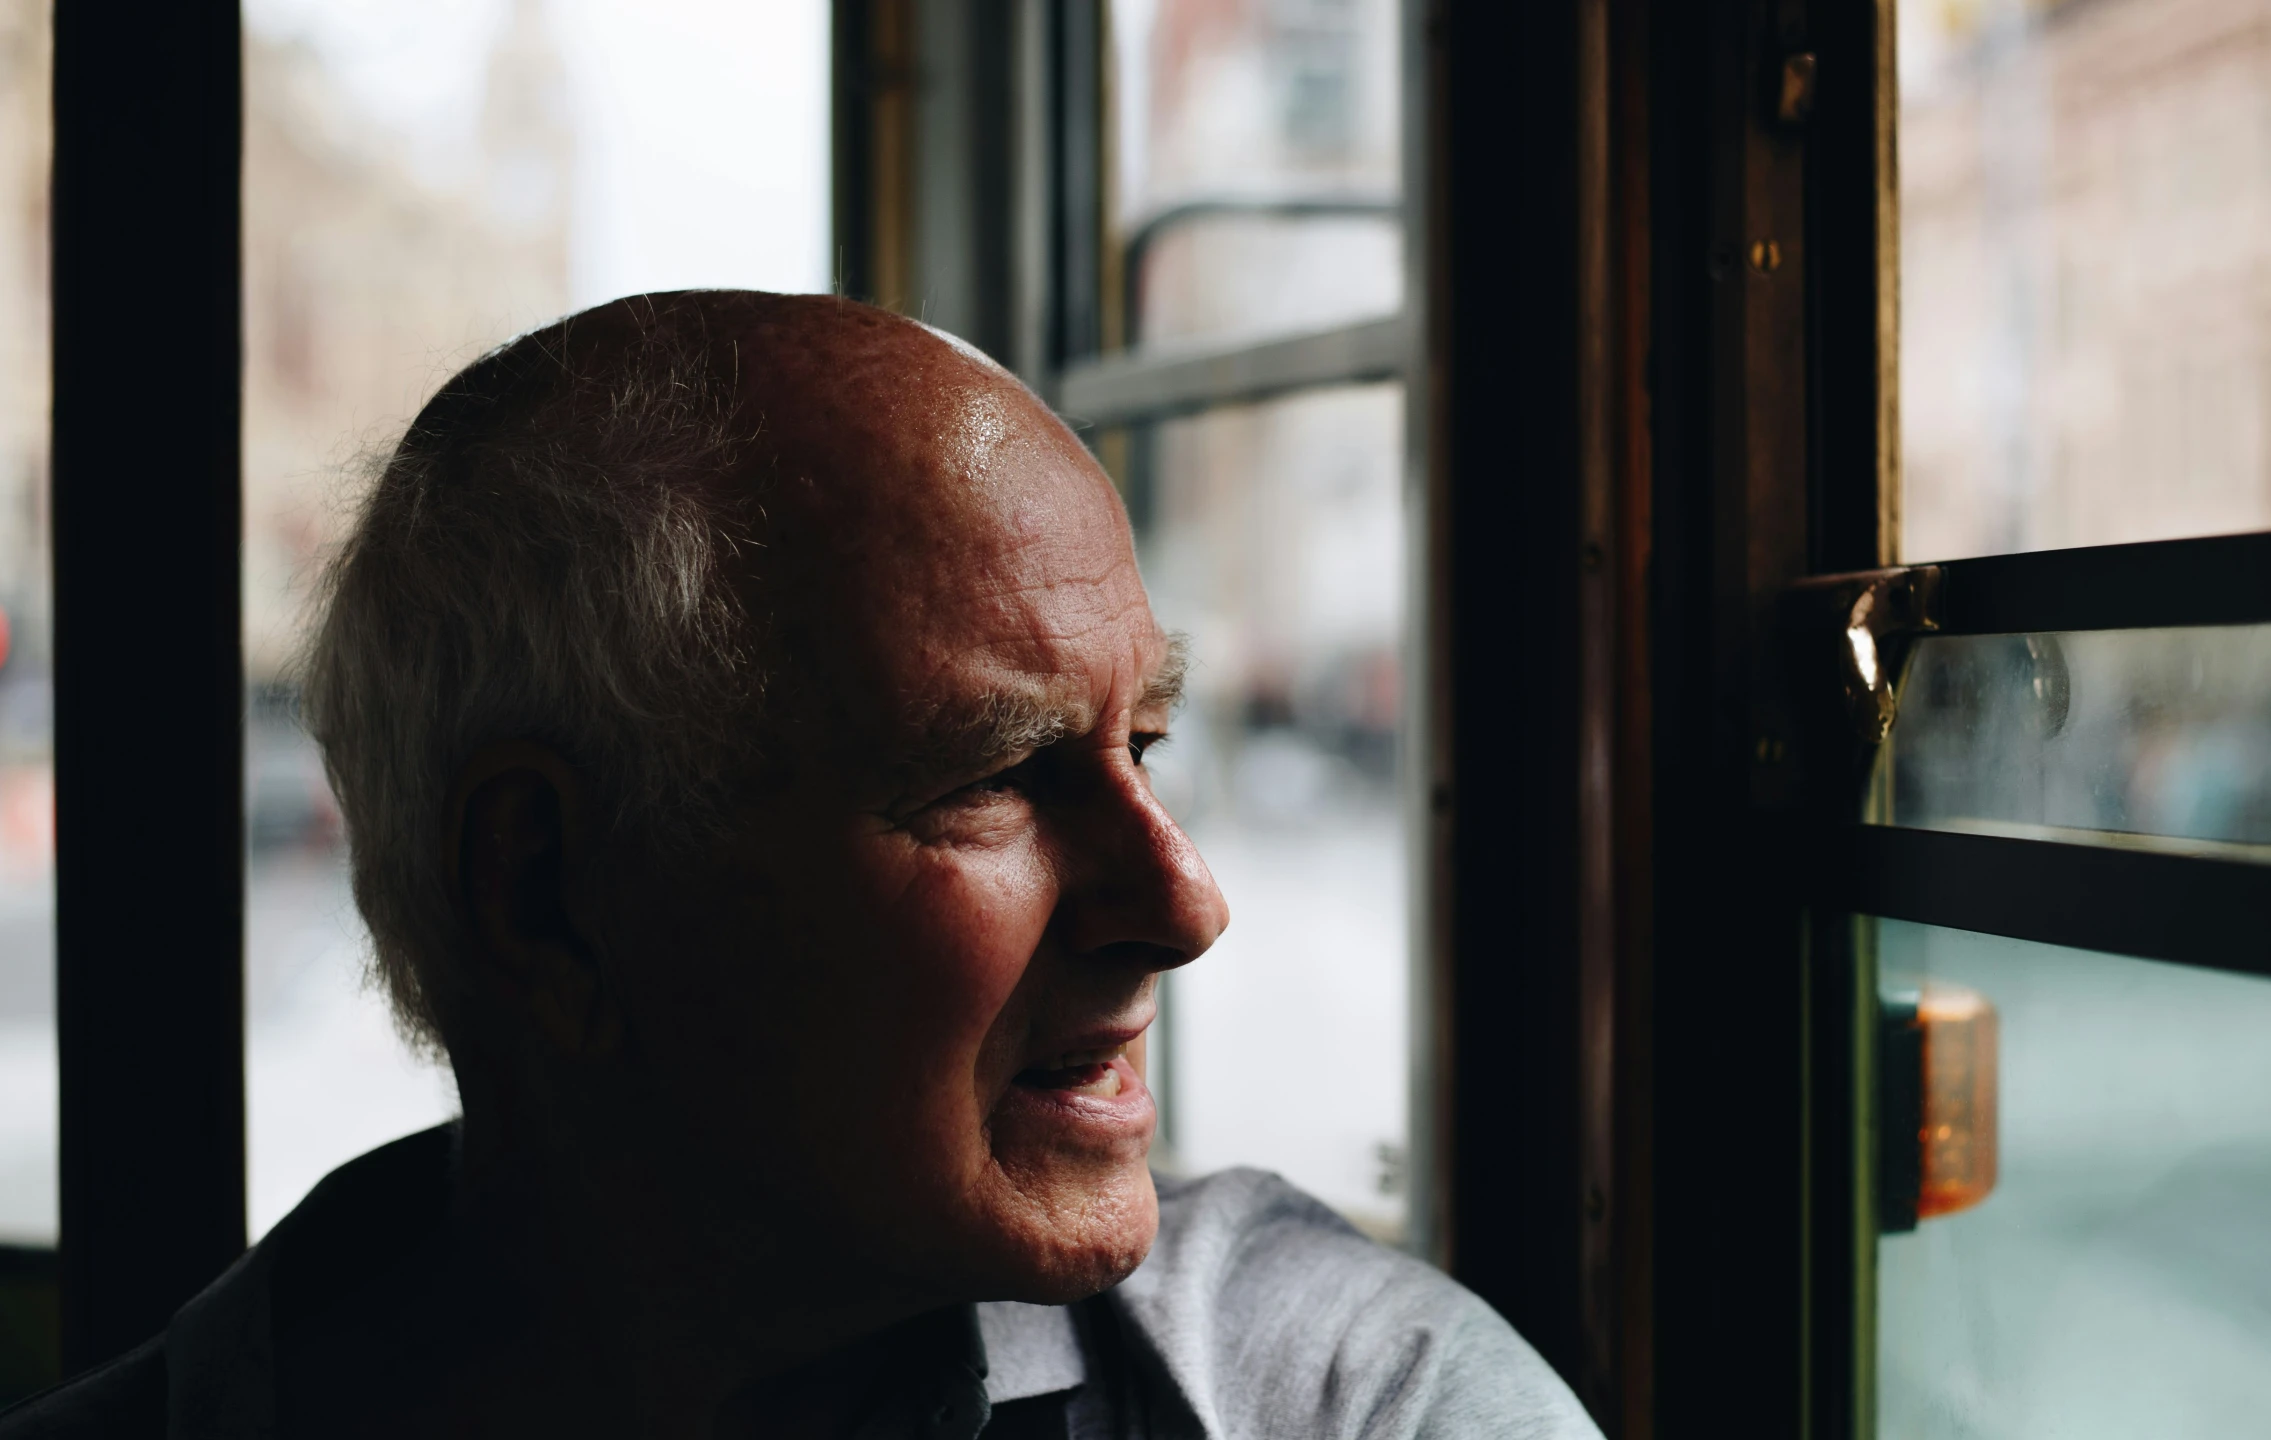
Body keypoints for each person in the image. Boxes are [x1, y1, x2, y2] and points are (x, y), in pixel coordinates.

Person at [2, 292, 1599, 1438]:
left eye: (1146, 747)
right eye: (996, 774)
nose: (1182, 905)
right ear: (546, 893)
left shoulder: (1343, 1399)